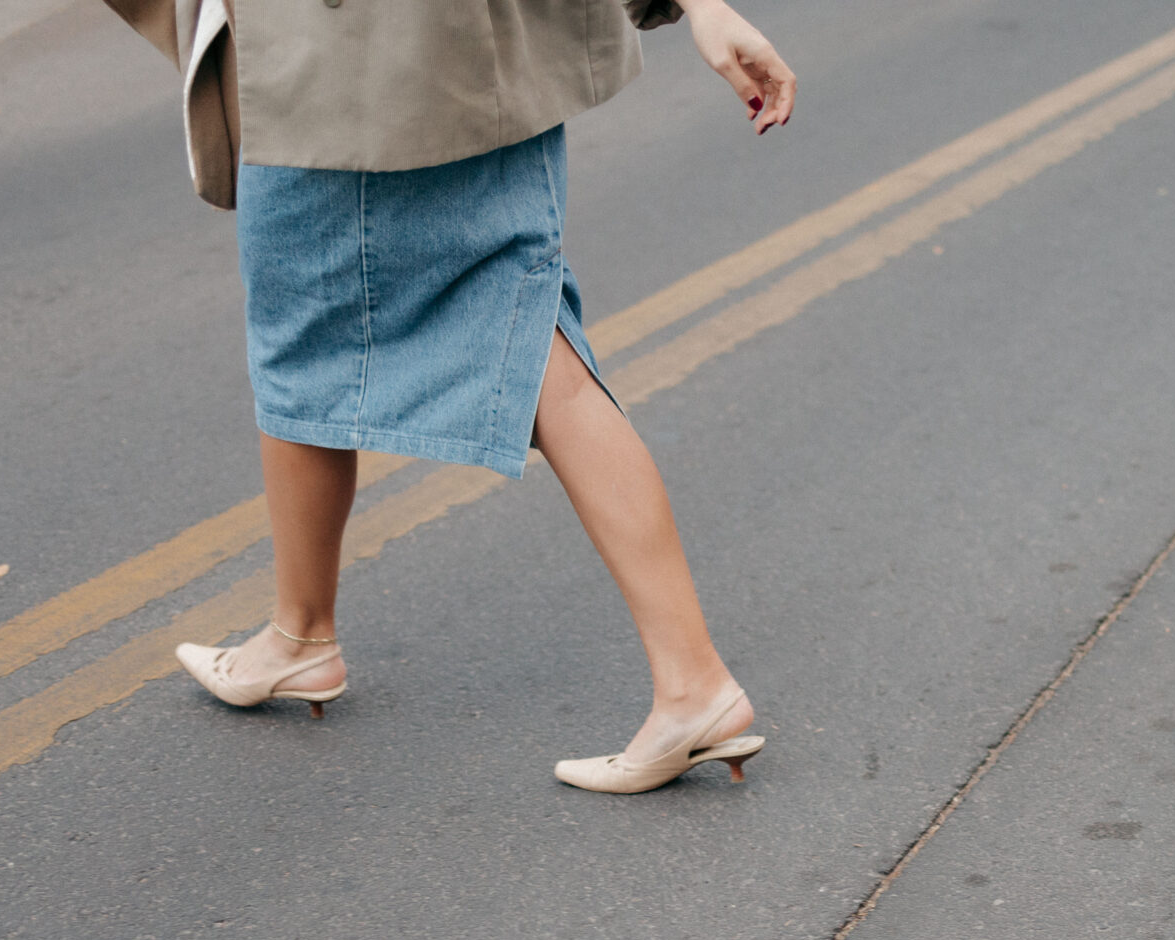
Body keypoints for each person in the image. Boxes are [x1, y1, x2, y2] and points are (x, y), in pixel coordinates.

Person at [102, 0, 794, 792]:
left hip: (342, 64)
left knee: (322, 336)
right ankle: (302, 635)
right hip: (483, 47)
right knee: (497, 328)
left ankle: (690, 682)